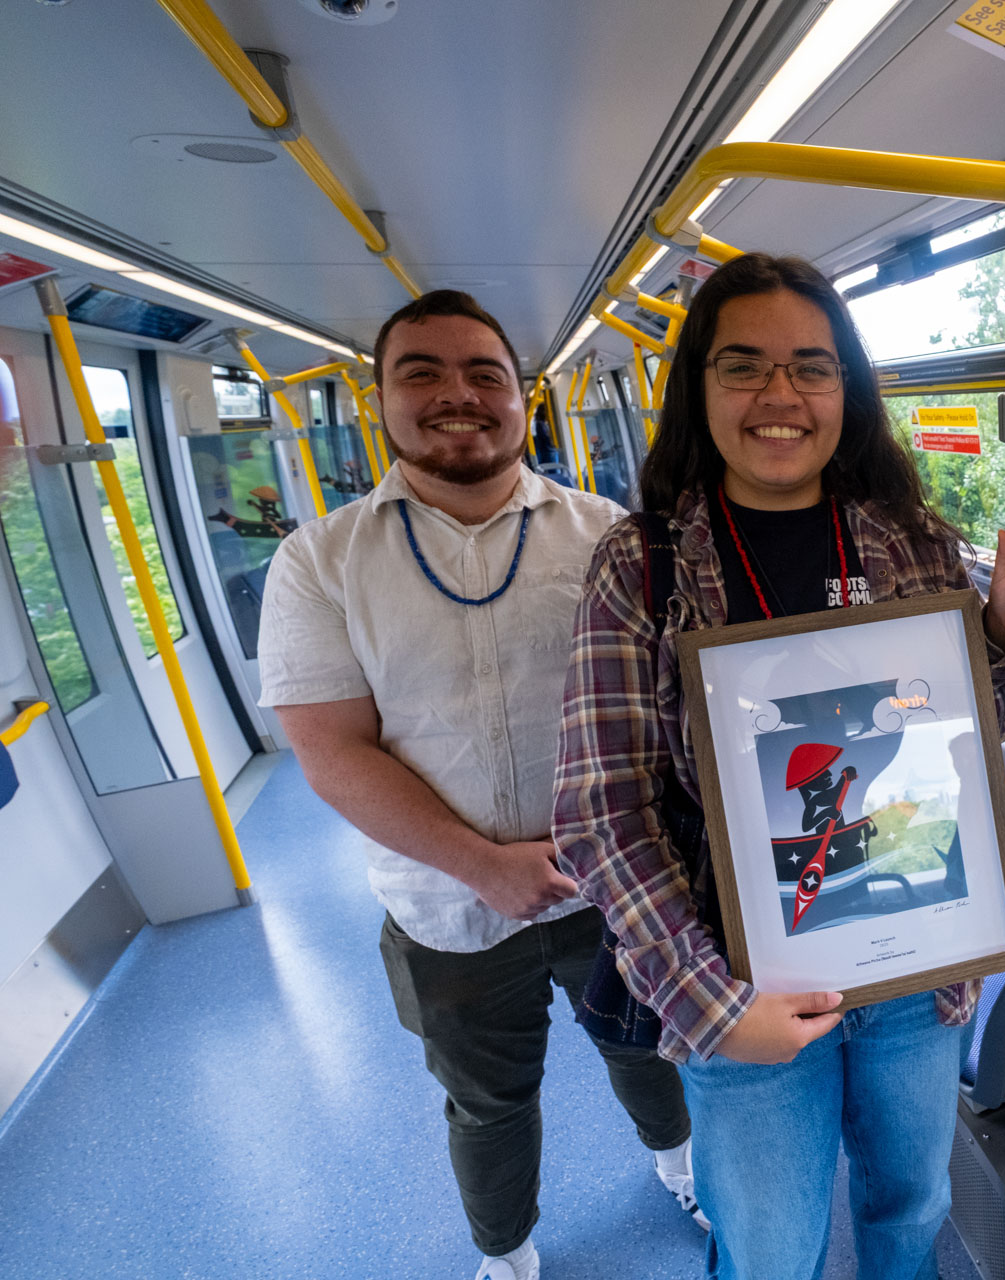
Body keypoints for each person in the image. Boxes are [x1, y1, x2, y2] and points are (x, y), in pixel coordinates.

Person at [551, 253, 1005, 1279]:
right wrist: (710, 1004)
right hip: (738, 976)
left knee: (909, 1209)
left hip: (913, 965)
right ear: (699, 389)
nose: (781, 396)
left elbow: (954, 737)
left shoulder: (915, 543)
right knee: (772, 1248)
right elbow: (603, 810)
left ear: (847, 392)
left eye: (812, 368)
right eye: (745, 366)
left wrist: (1002, 636)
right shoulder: (642, 563)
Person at [257, 290, 702, 1280]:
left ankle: (679, 1166)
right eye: (421, 371)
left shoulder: (607, 535)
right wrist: (482, 865)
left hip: (613, 885)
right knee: (488, 1098)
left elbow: (669, 703)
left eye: (484, 374)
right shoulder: (319, 562)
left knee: (646, 1051)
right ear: (380, 399)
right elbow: (332, 749)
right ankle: (506, 1251)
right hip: (442, 905)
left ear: (523, 397)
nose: (457, 394)